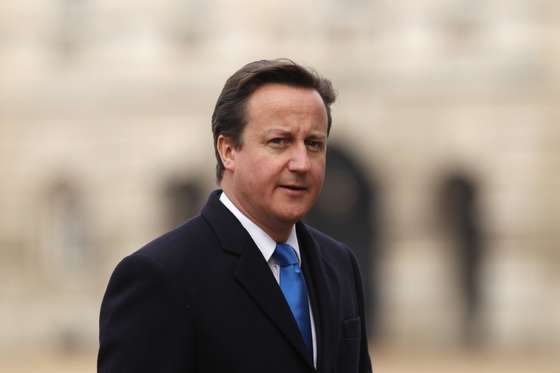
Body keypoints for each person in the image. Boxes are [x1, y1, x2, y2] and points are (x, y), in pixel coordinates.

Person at [98, 59, 372, 373]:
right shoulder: (159, 276)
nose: (301, 163)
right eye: (279, 142)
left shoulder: (339, 264)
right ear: (228, 151)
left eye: (313, 144)